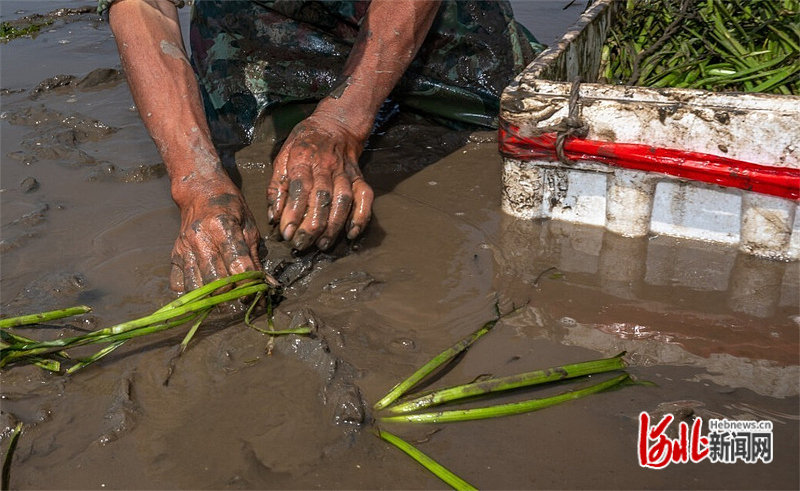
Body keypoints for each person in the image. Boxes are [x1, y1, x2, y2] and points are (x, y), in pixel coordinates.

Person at [101, 0, 541, 292]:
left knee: (504, 113)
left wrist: (340, 122)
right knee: (239, 133)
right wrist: (195, 182)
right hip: (253, 19)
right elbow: (143, 6)